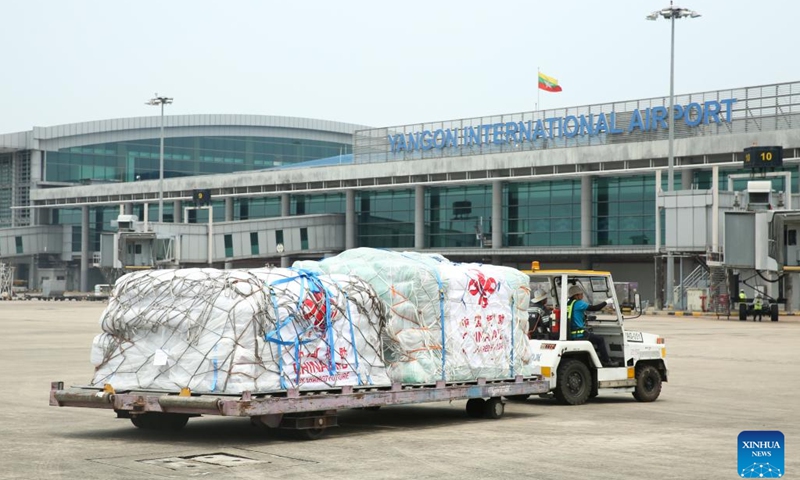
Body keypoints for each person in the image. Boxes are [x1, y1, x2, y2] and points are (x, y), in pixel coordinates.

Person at [566, 284, 615, 367]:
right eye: (581, 294)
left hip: (570, 333)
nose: (582, 295)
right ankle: (606, 361)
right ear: (576, 296)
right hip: (579, 334)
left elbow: (574, 315)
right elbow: (595, 308)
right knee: (600, 340)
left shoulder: (568, 304)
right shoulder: (578, 303)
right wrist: (607, 302)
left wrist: (585, 317)